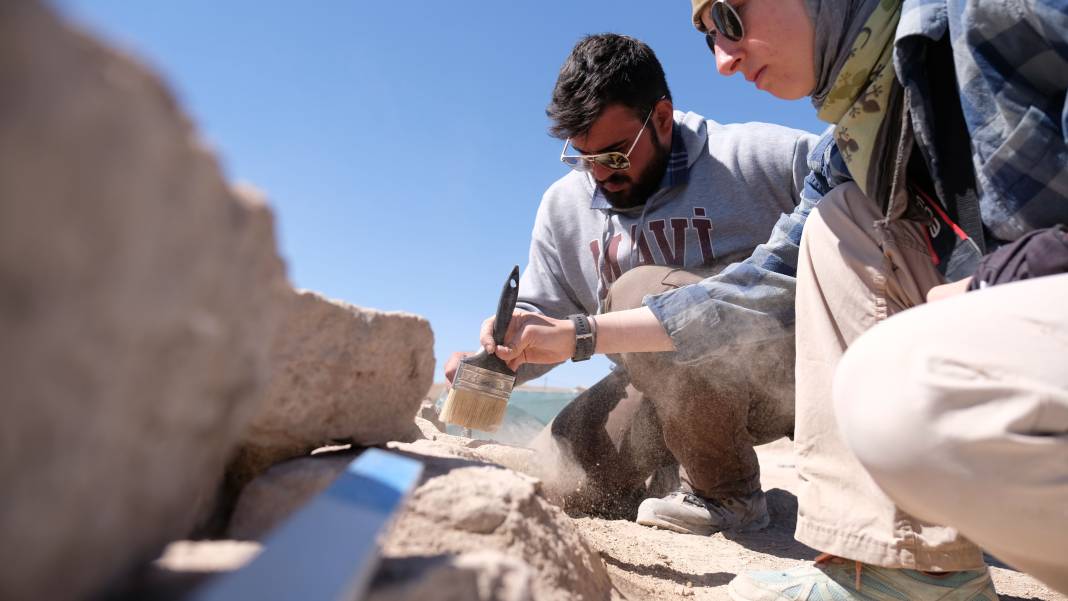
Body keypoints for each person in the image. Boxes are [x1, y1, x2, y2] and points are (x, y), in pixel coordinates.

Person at [685, 0, 1068, 598]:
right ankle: (907, 572)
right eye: (707, 38)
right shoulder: (853, 144)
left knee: (889, 391)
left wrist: (997, 284)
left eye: (729, 19)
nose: (722, 61)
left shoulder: (993, 11)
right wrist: (582, 336)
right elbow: (760, 285)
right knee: (841, 221)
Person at [445, 33, 820, 535]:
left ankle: (728, 495)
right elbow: (547, 320)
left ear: (661, 118)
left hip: (780, 379)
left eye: (616, 155)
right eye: (584, 157)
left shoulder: (757, 157)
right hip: (662, 392)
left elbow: (859, 194)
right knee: (558, 482)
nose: (600, 173)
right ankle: (662, 485)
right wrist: (506, 348)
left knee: (635, 292)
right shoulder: (563, 207)